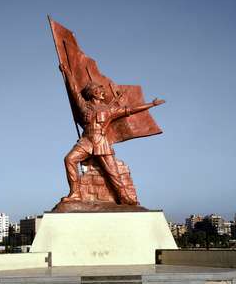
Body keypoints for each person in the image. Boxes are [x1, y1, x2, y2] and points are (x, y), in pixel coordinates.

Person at [60, 63, 165, 205]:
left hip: (101, 142)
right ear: (93, 93)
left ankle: (123, 197)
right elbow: (73, 90)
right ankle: (75, 193)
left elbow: (130, 110)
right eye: (100, 90)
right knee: (69, 160)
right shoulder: (84, 106)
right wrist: (66, 72)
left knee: (113, 173)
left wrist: (151, 104)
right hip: (86, 140)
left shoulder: (109, 110)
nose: (103, 92)